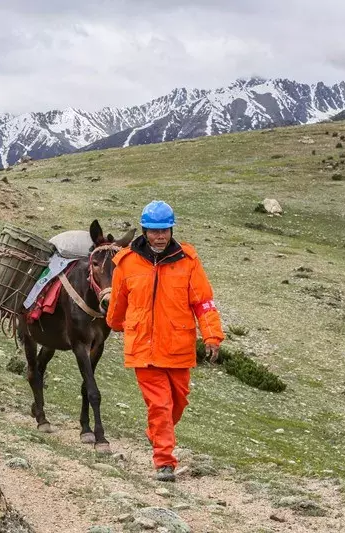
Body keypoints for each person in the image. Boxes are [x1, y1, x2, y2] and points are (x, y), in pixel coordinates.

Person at [106, 200, 224, 482]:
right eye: (154, 231)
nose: (160, 236)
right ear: (145, 231)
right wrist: (116, 324)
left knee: (178, 403)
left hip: (178, 345)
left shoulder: (188, 261)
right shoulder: (126, 262)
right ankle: (164, 462)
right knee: (159, 405)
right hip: (143, 348)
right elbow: (119, 301)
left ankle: (156, 433)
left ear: (172, 230)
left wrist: (212, 336)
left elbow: (203, 303)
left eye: (165, 230)